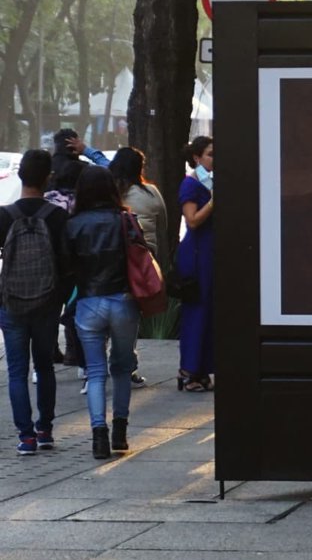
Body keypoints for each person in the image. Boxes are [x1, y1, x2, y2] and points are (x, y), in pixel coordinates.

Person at [0, 150, 71, 455]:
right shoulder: (57, 216)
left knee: (17, 371)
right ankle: (45, 430)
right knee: (44, 367)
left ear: (20, 176)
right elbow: (68, 263)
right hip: (47, 301)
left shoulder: (4, 215)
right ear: (48, 178)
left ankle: (25, 436)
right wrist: (61, 298)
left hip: (11, 302)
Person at [66, 166, 139, 460]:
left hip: (88, 302)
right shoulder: (125, 219)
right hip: (122, 299)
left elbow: (67, 267)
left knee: (95, 372)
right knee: (122, 367)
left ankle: (99, 437)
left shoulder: (72, 225)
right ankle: (120, 431)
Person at [110, 147, 168, 389]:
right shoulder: (152, 193)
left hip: (114, 259)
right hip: (143, 258)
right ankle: (128, 365)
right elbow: (163, 225)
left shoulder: (112, 193)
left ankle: (96, 368)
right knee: (132, 313)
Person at [178, 136, 215, 392]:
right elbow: (192, 221)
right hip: (197, 254)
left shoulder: (212, 181)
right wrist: (214, 201)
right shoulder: (191, 183)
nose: (216, 159)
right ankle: (190, 370)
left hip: (213, 252)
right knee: (197, 311)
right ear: (197, 157)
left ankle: (203, 369)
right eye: (211, 154)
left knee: (211, 311)